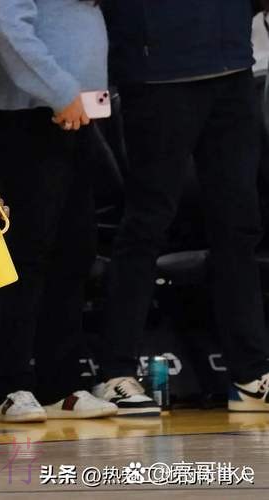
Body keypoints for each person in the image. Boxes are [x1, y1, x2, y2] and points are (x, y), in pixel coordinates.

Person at [94, 0, 269, 414]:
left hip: (232, 69)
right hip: (156, 76)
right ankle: (116, 371)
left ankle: (250, 374)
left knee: (239, 226)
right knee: (147, 222)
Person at [0, 0, 117, 422]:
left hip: (80, 109)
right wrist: (60, 91)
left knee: (75, 249)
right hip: (31, 112)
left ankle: (61, 385)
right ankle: (11, 386)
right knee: (26, 252)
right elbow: (6, 26)